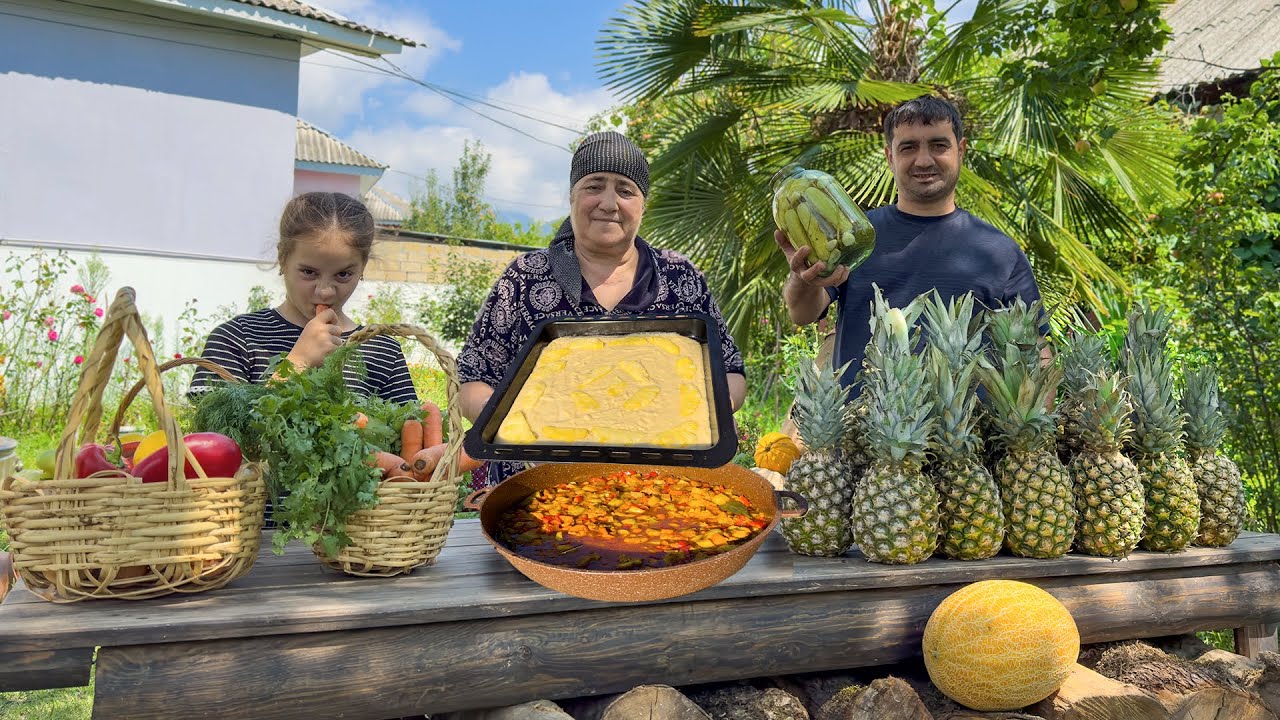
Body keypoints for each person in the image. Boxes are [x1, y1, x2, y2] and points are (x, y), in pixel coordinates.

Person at [458, 131, 747, 487]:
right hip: (534, 489)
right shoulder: (525, 279)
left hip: (662, 490)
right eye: (594, 185)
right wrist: (526, 427)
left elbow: (731, 372)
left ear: (643, 204)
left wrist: (710, 411)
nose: (609, 203)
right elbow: (472, 380)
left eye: (625, 190)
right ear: (572, 196)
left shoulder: (678, 277)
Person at [778, 95, 1046, 390]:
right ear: (890, 157)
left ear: (961, 150)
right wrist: (803, 278)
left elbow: (1037, 355)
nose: (923, 160)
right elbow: (801, 313)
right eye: (908, 147)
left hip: (970, 432)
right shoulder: (854, 236)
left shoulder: (999, 252)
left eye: (938, 145)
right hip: (863, 431)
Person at [190, 192, 417, 404]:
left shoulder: (382, 351)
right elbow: (213, 440)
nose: (325, 291)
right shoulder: (238, 339)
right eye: (309, 272)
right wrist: (298, 362)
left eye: (343, 274)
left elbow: (407, 437)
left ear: (363, 267)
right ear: (283, 258)